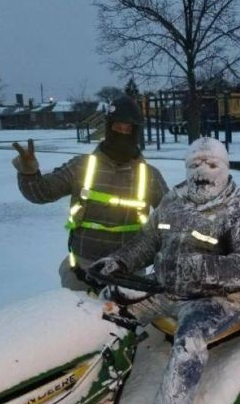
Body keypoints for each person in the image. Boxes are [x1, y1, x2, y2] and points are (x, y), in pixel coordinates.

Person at [88, 136, 240, 404]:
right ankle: (96, 398)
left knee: (189, 341)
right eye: (194, 165)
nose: (202, 173)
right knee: (109, 311)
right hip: (169, 289)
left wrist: (202, 267)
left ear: (225, 167)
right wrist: (119, 262)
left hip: (222, 300)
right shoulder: (172, 201)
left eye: (212, 165)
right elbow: (148, 241)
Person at [12, 95, 168, 291]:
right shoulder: (81, 167)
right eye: (117, 127)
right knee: (79, 321)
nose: (122, 133)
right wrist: (29, 173)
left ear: (136, 132)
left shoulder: (150, 175)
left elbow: (170, 219)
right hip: (82, 271)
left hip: (129, 273)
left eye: (127, 128)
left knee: (128, 322)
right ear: (108, 127)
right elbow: (42, 193)